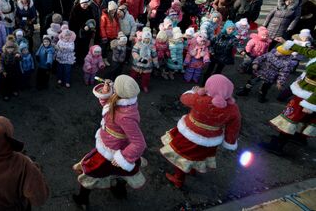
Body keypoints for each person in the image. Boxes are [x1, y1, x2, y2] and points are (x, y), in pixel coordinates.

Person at [72, 75, 147, 206]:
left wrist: (122, 158)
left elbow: (139, 143)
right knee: (122, 173)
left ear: (118, 92)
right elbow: (108, 106)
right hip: (113, 144)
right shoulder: (125, 101)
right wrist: (106, 91)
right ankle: (119, 191)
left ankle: (83, 199)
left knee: (91, 172)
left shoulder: (125, 117)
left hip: (111, 149)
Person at [160, 74, 241, 188]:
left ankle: (178, 179)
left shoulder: (200, 99)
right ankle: (192, 169)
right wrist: (230, 142)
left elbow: (184, 98)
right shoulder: (233, 108)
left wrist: (195, 91)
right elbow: (234, 127)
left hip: (189, 135)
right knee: (199, 156)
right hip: (210, 141)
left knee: (182, 157)